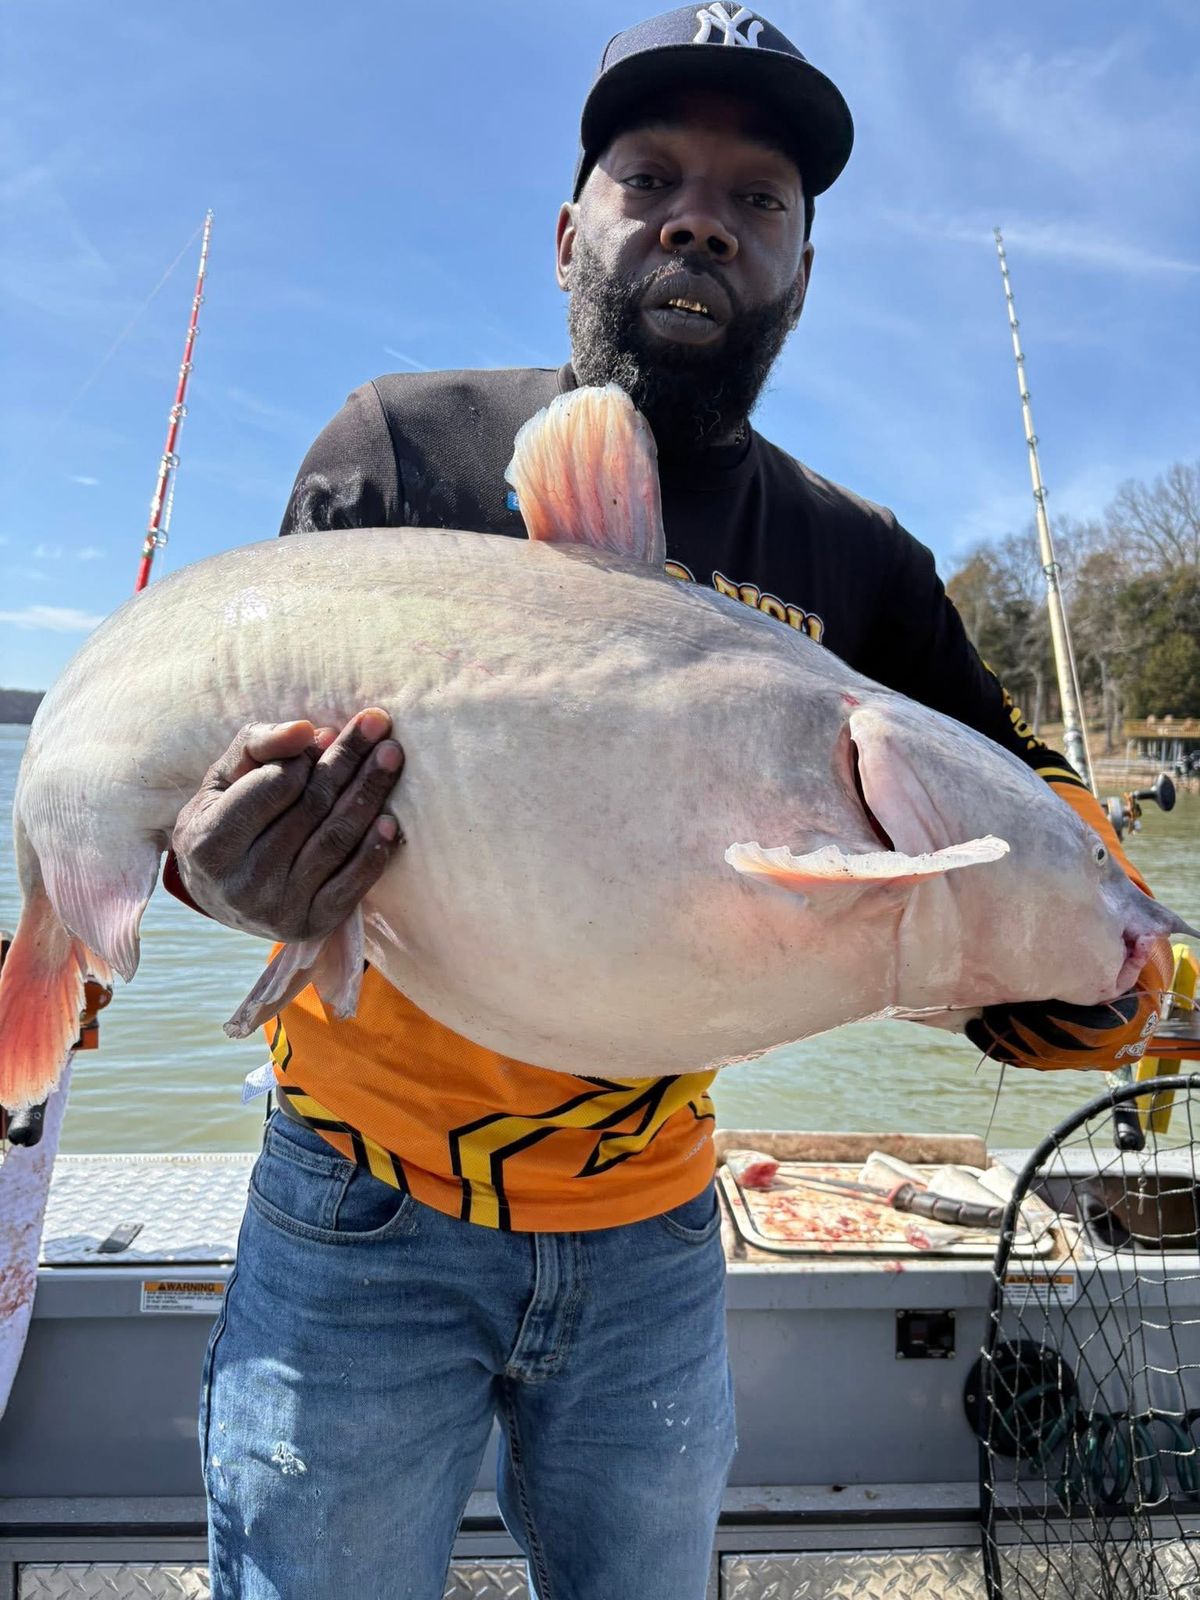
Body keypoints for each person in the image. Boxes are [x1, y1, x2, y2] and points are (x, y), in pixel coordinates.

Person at [170, 9, 1166, 1597]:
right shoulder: (400, 451)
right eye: (651, 178)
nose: (702, 219)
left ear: (802, 271)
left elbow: (1019, 791)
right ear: (571, 230)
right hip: (358, 1198)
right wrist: (210, 873)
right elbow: (212, 773)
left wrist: (1114, 966)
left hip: (653, 1230)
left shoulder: (864, 562)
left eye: (758, 198)